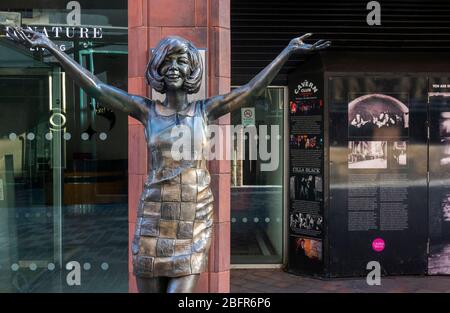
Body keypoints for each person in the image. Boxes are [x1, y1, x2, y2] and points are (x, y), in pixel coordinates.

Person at [6, 27, 330, 293]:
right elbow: (97, 88)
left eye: (181, 62)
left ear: (191, 70)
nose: (173, 68)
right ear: (158, 70)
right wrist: (53, 49)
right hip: (154, 214)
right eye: (167, 63)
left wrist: (287, 52)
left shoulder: (205, 110)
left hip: (194, 213)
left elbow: (251, 91)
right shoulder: (147, 111)